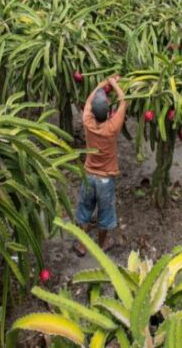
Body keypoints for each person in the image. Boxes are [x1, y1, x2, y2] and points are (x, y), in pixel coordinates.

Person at [73, 75, 127, 257]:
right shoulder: (112, 128)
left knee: (85, 209)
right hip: (105, 179)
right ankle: (102, 243)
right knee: (105, 213)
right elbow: (123, 102)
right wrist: (114, 83)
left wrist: (101, 84)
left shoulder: (88, 123)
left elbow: (88, 102)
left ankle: (82, 245)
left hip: (89, 176)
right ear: (107, 113)